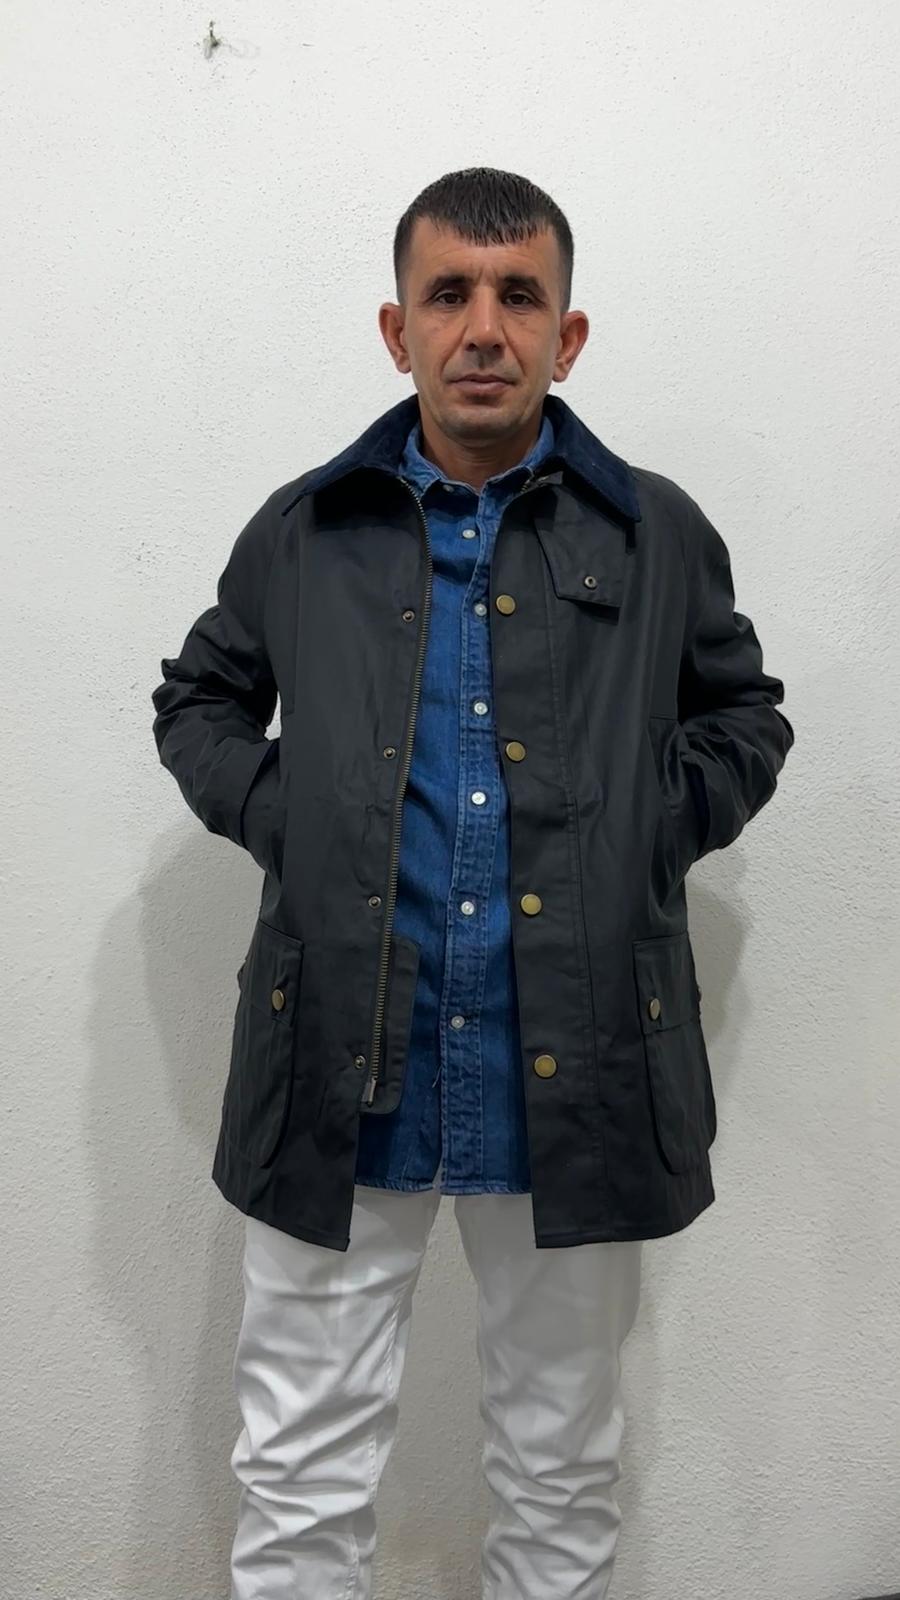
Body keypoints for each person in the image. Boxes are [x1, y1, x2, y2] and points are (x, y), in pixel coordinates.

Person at [150, 165, 794, 1600]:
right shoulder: (306, 529)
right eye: (448, 295)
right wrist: (290, 819)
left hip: (572, 1066)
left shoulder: (654, 532)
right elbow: (199, 699)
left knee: (559, 1477)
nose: (484, 327)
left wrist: (647, 828)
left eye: (520, 297)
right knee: (300, 1474)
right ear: (399, 331)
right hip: (340, 1060)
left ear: (569, 335)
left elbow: (744, 716)